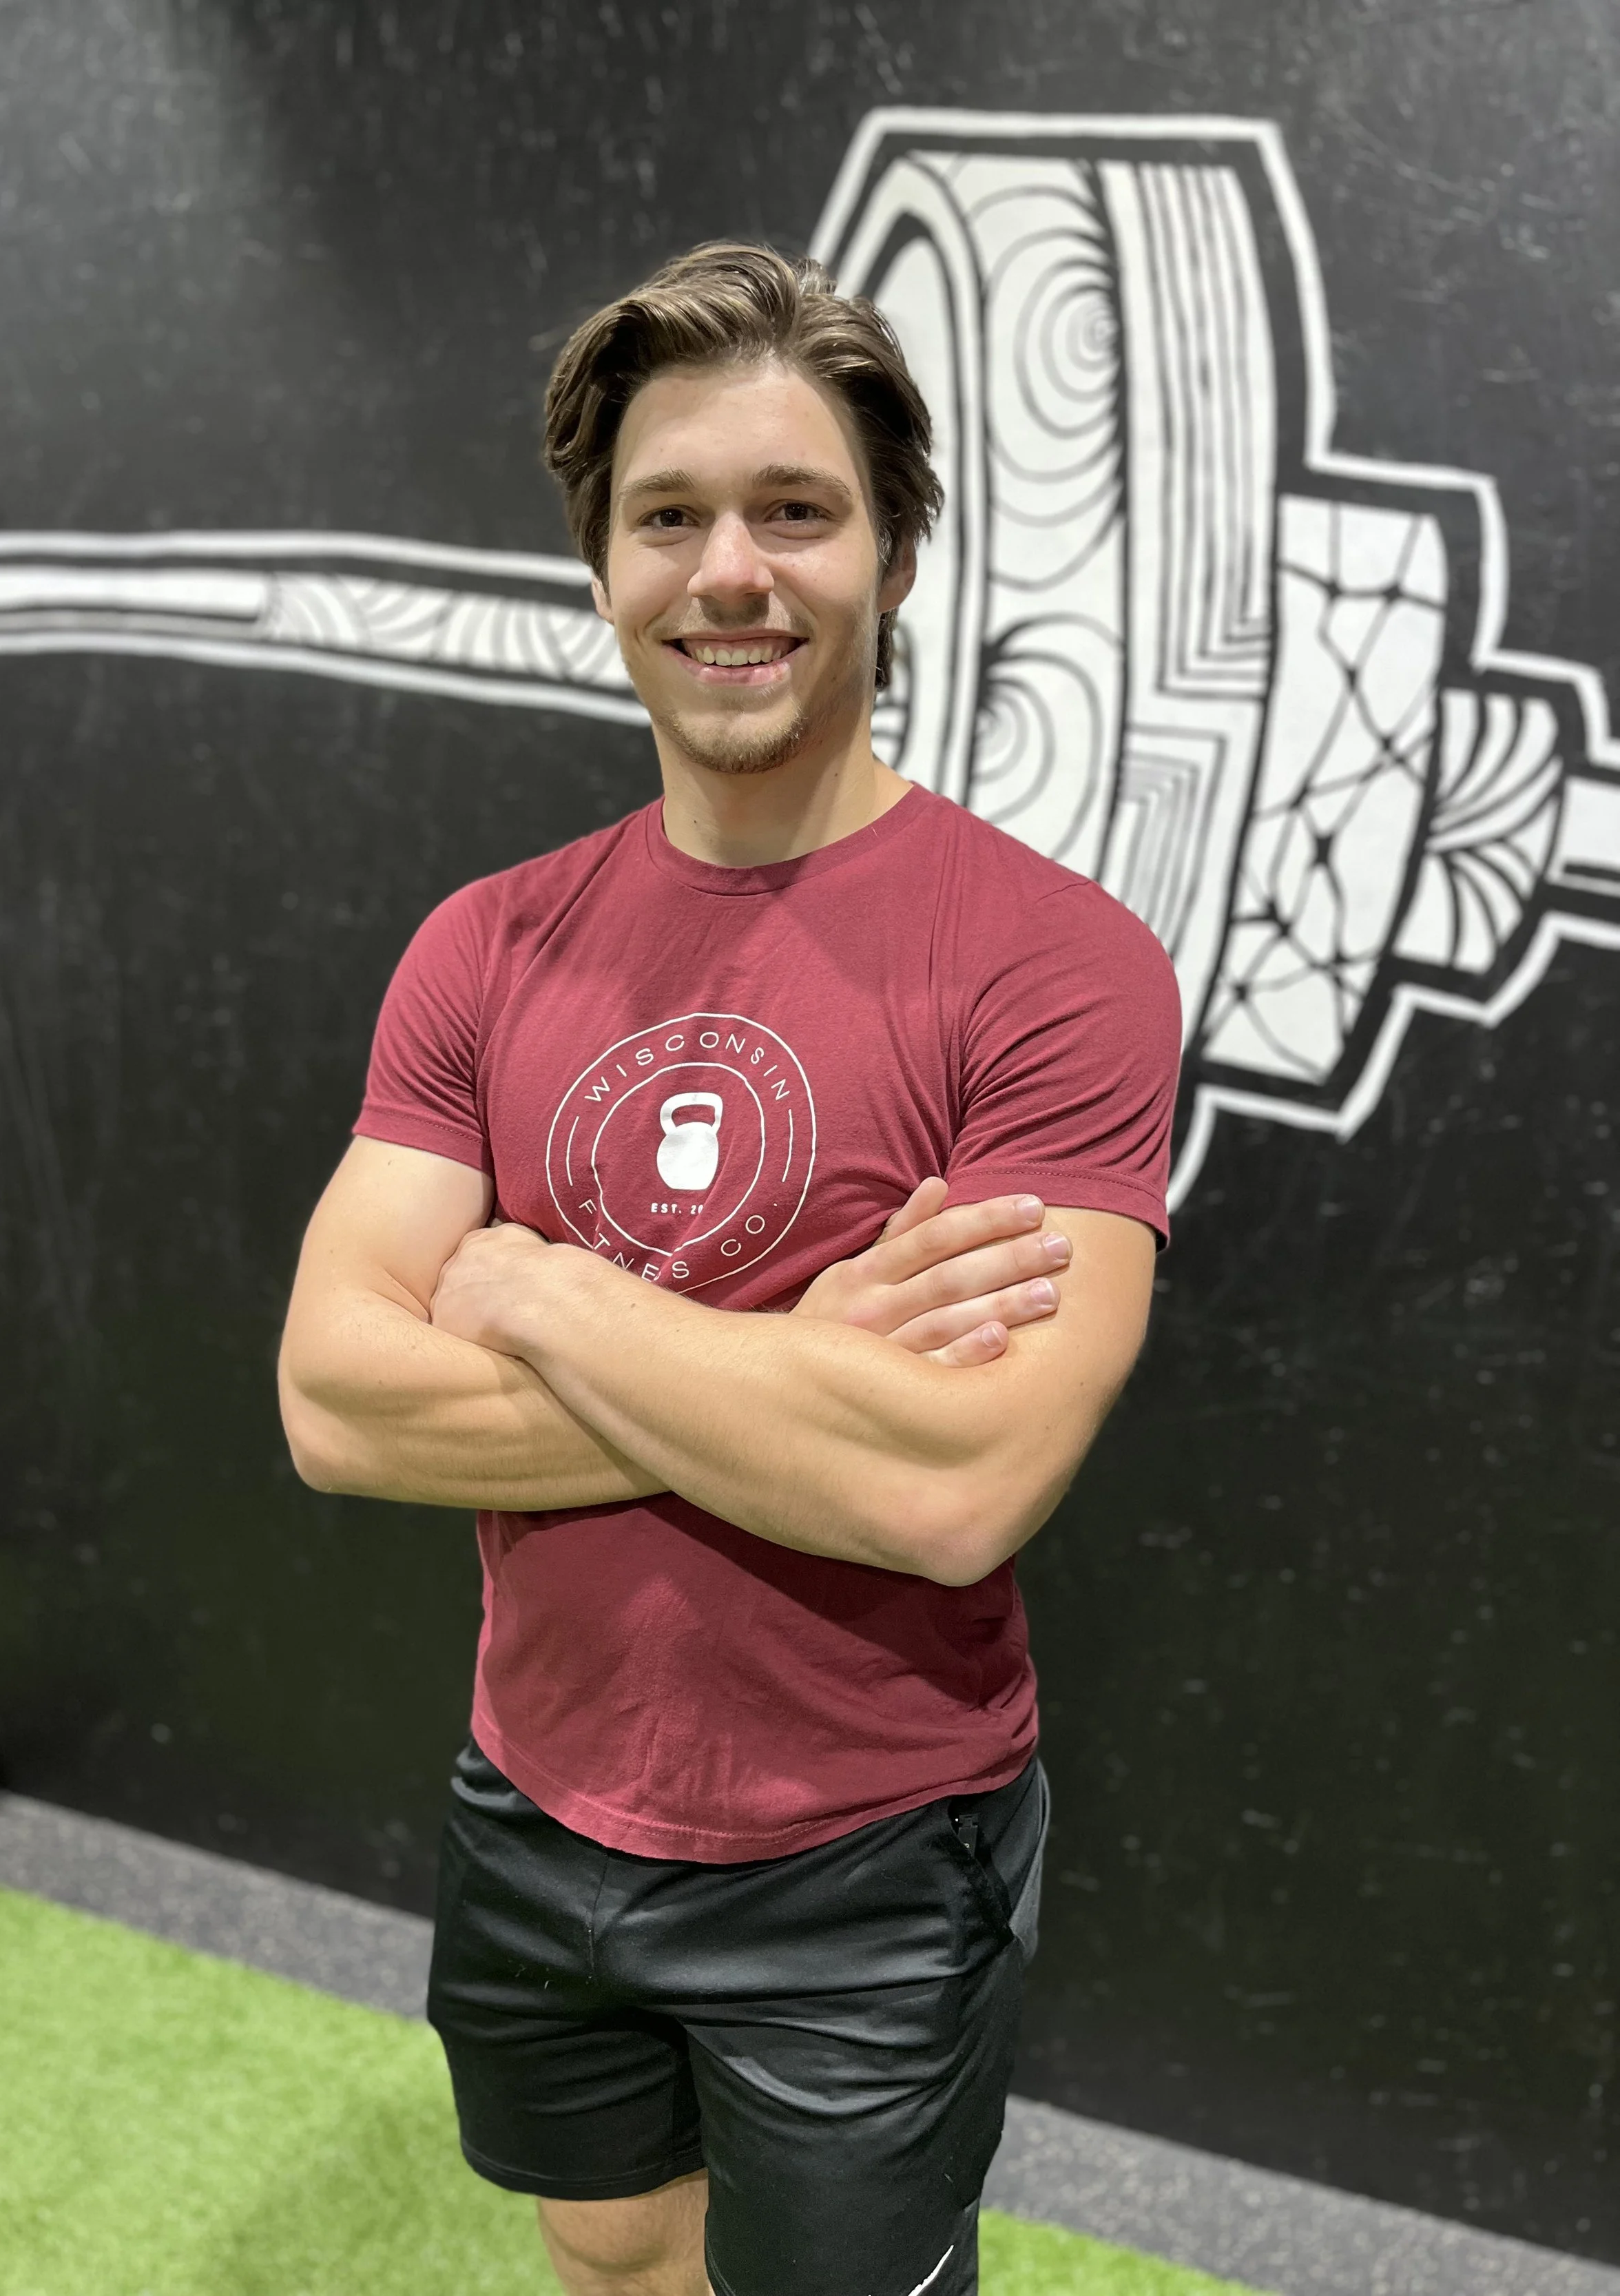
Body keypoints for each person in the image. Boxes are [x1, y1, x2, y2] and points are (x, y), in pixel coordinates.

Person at [278, 242, 1179, 2296]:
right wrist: (795, 1361)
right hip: (536, 1787)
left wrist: (534, 1288)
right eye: (666, 514)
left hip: (867, 1858)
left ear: (892, 551)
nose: (729, 571)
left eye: (795, 509)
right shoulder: (485, 945)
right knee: (605, 2245)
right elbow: (334, 1401)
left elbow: (952, 1484)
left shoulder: (1051, 966)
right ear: (600, 567)